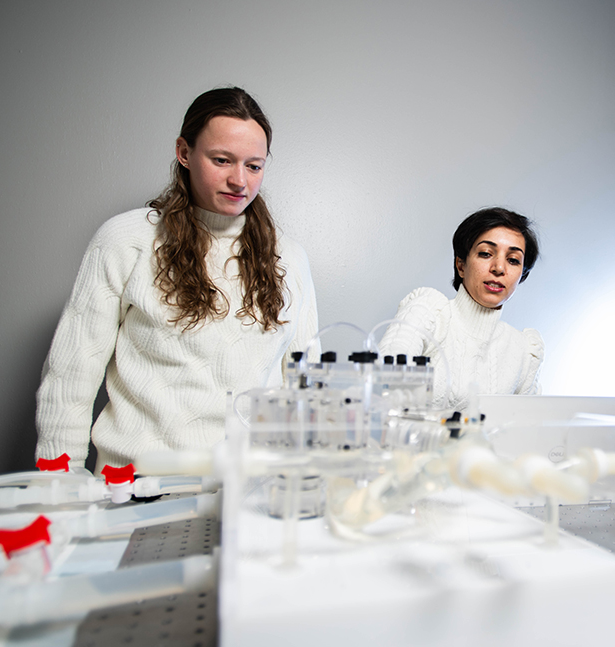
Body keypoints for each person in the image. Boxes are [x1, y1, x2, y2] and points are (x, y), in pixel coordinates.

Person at [36, 87, 318, 474]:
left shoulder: (290, 258)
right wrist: (58, 487)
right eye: (222, 160)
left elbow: (307, 388)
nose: (240, 180)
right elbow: (71, 377)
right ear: (184, 152)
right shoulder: (125, 241)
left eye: (254, 166)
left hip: (249, 492)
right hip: (136, 490)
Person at [379, 207, 543, 411]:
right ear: (461, 265)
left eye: (513, 260)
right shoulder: (429, 312)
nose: (499, 268)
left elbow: (527, 430)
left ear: (521, 276)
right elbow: (380, 390)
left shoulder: (523, 350)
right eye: (485, 253)